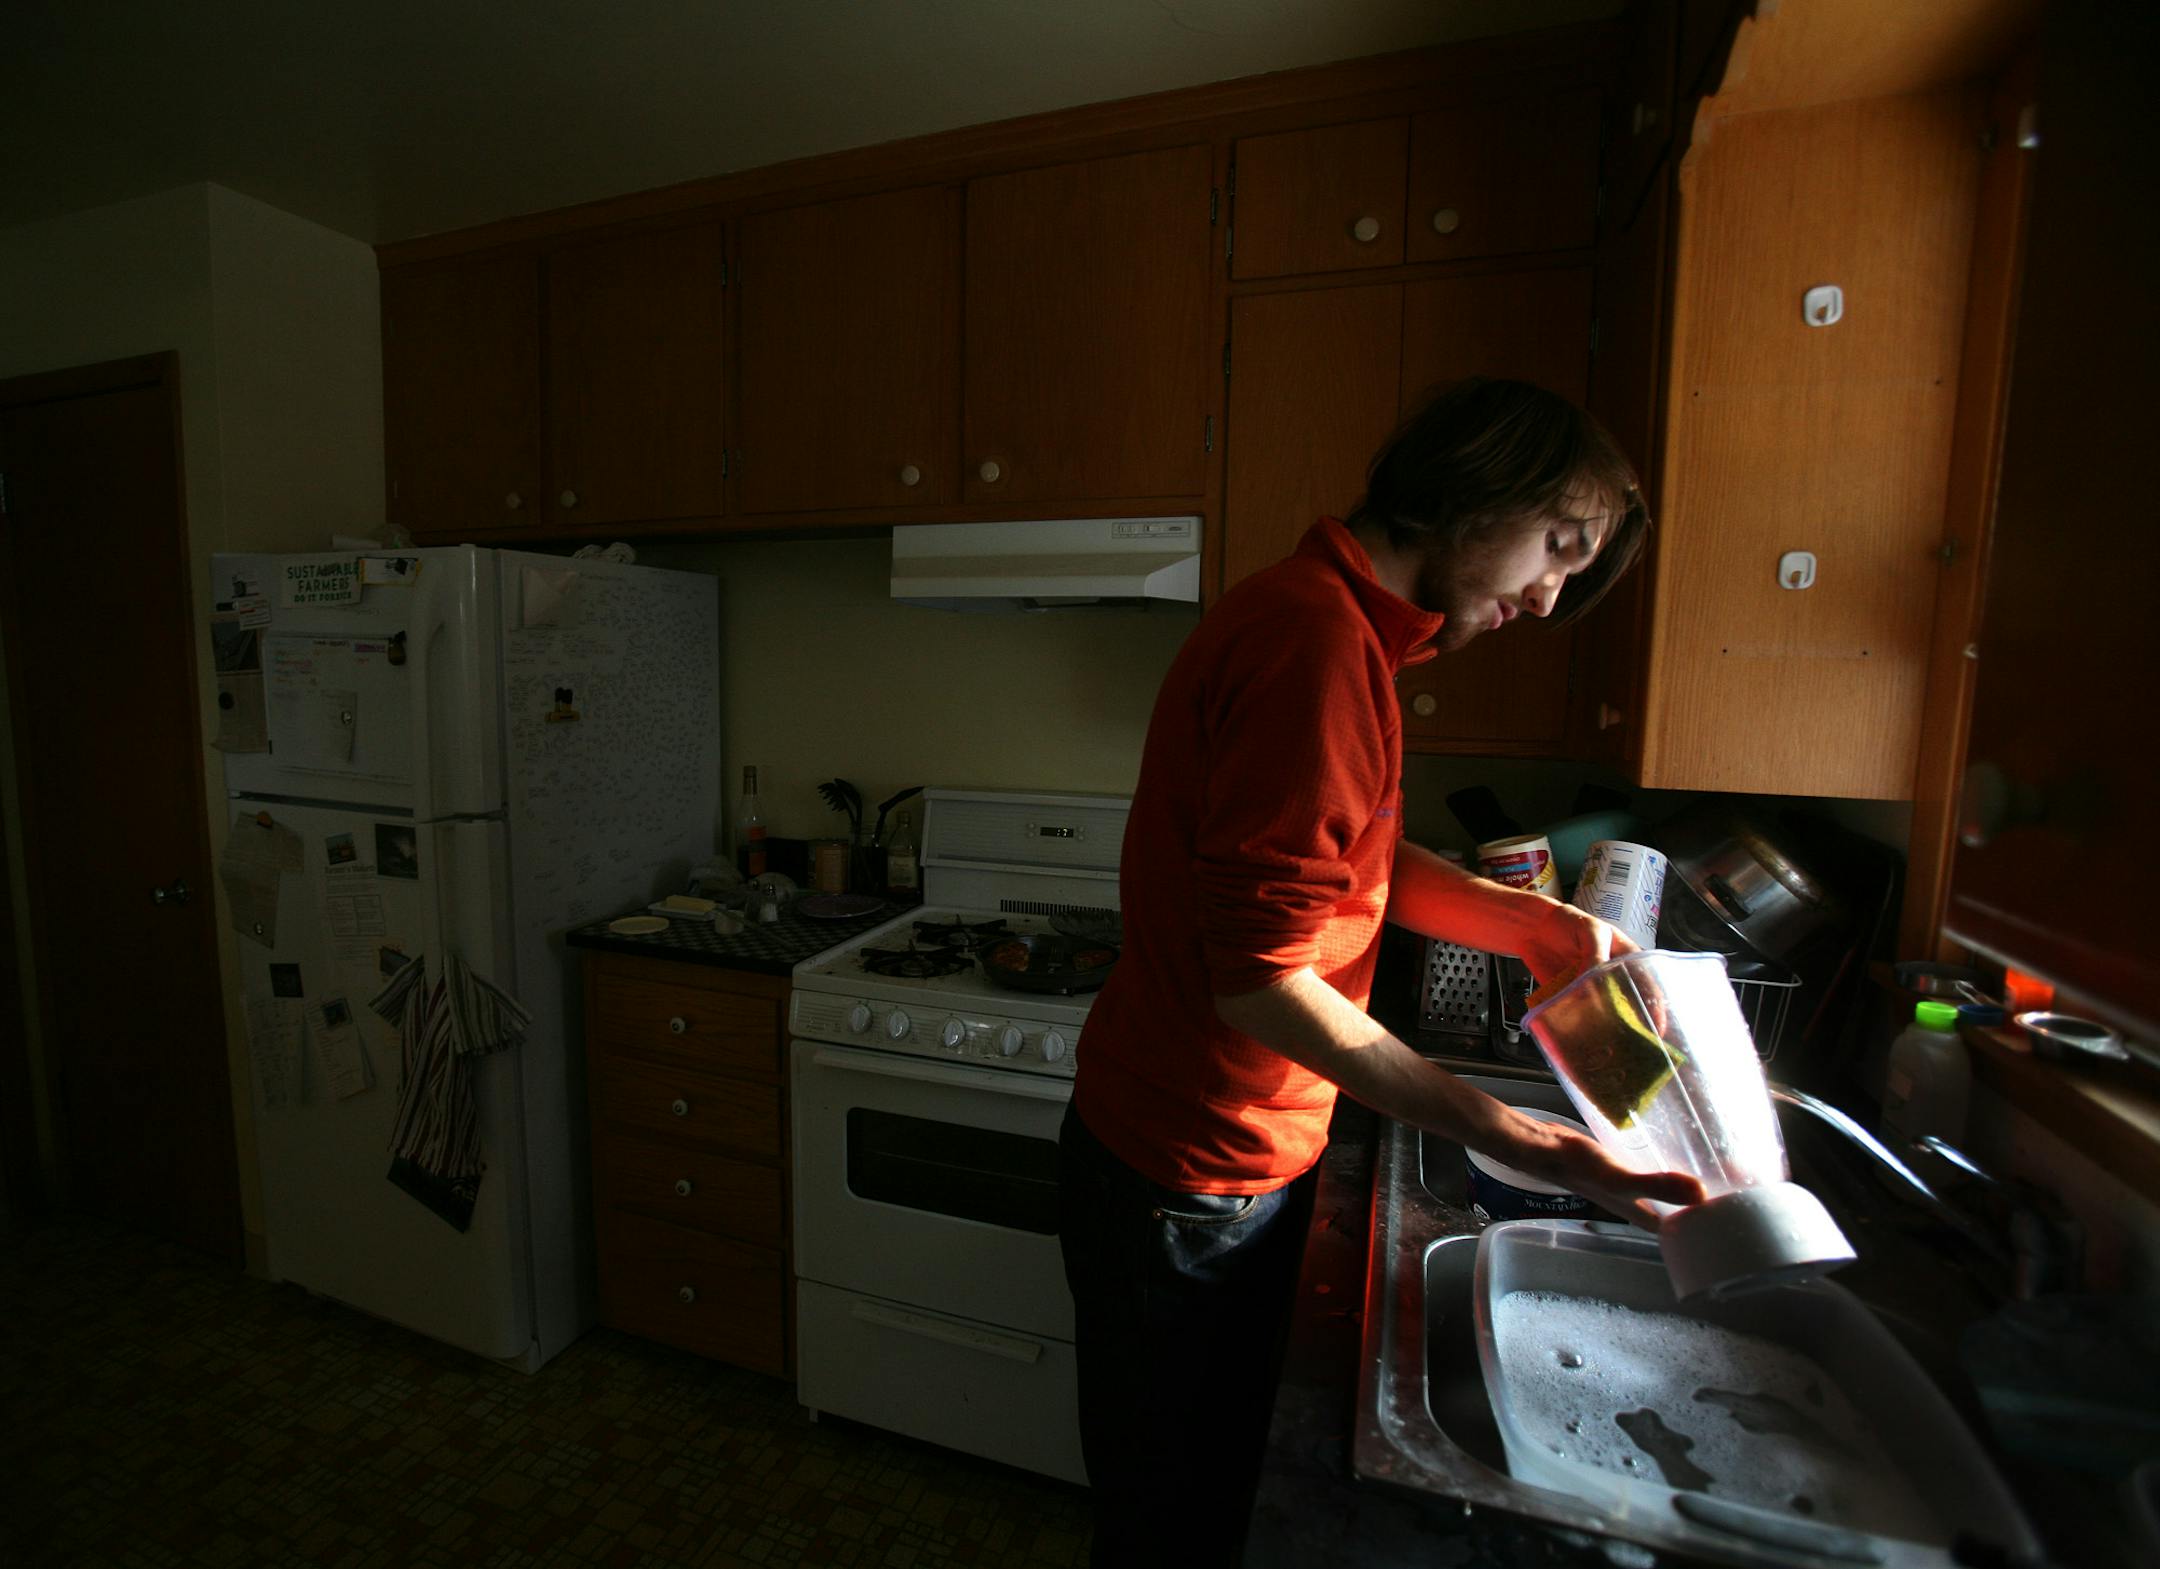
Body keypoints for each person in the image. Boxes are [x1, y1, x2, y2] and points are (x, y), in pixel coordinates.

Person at [1056, 378, 1709, 1567]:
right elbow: (1258, 981)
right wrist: (1510, 1130)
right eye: (1557, 548)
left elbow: (1355, 853)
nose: (1551, 594)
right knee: (1178, 1525)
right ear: (1477, 488)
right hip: (1190, 1173)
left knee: (1193, 1499)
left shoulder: (1341, 631)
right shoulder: (1311, 643)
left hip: (1218, 1152)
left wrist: (1532, 926)